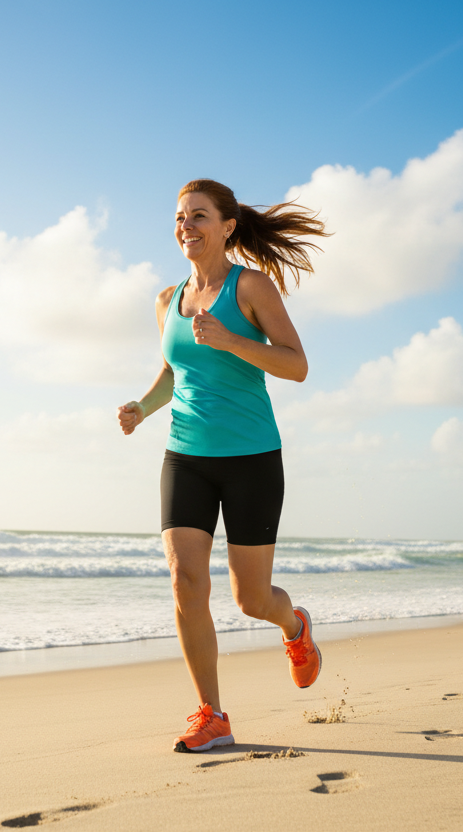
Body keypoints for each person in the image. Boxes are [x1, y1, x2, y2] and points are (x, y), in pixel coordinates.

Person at [117, 179, 329, 753]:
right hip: (185, 455)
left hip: (251, 459)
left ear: (228, 226)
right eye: (180, 218)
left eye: (199, 216)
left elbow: (297, 366)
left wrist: (233, 340)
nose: (187, 226)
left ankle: (295, 627)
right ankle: (212, 713)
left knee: (250, 600)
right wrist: (143, 406)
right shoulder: (169, 299)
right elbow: (175, 371)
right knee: (186, 582)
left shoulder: (251, 286)